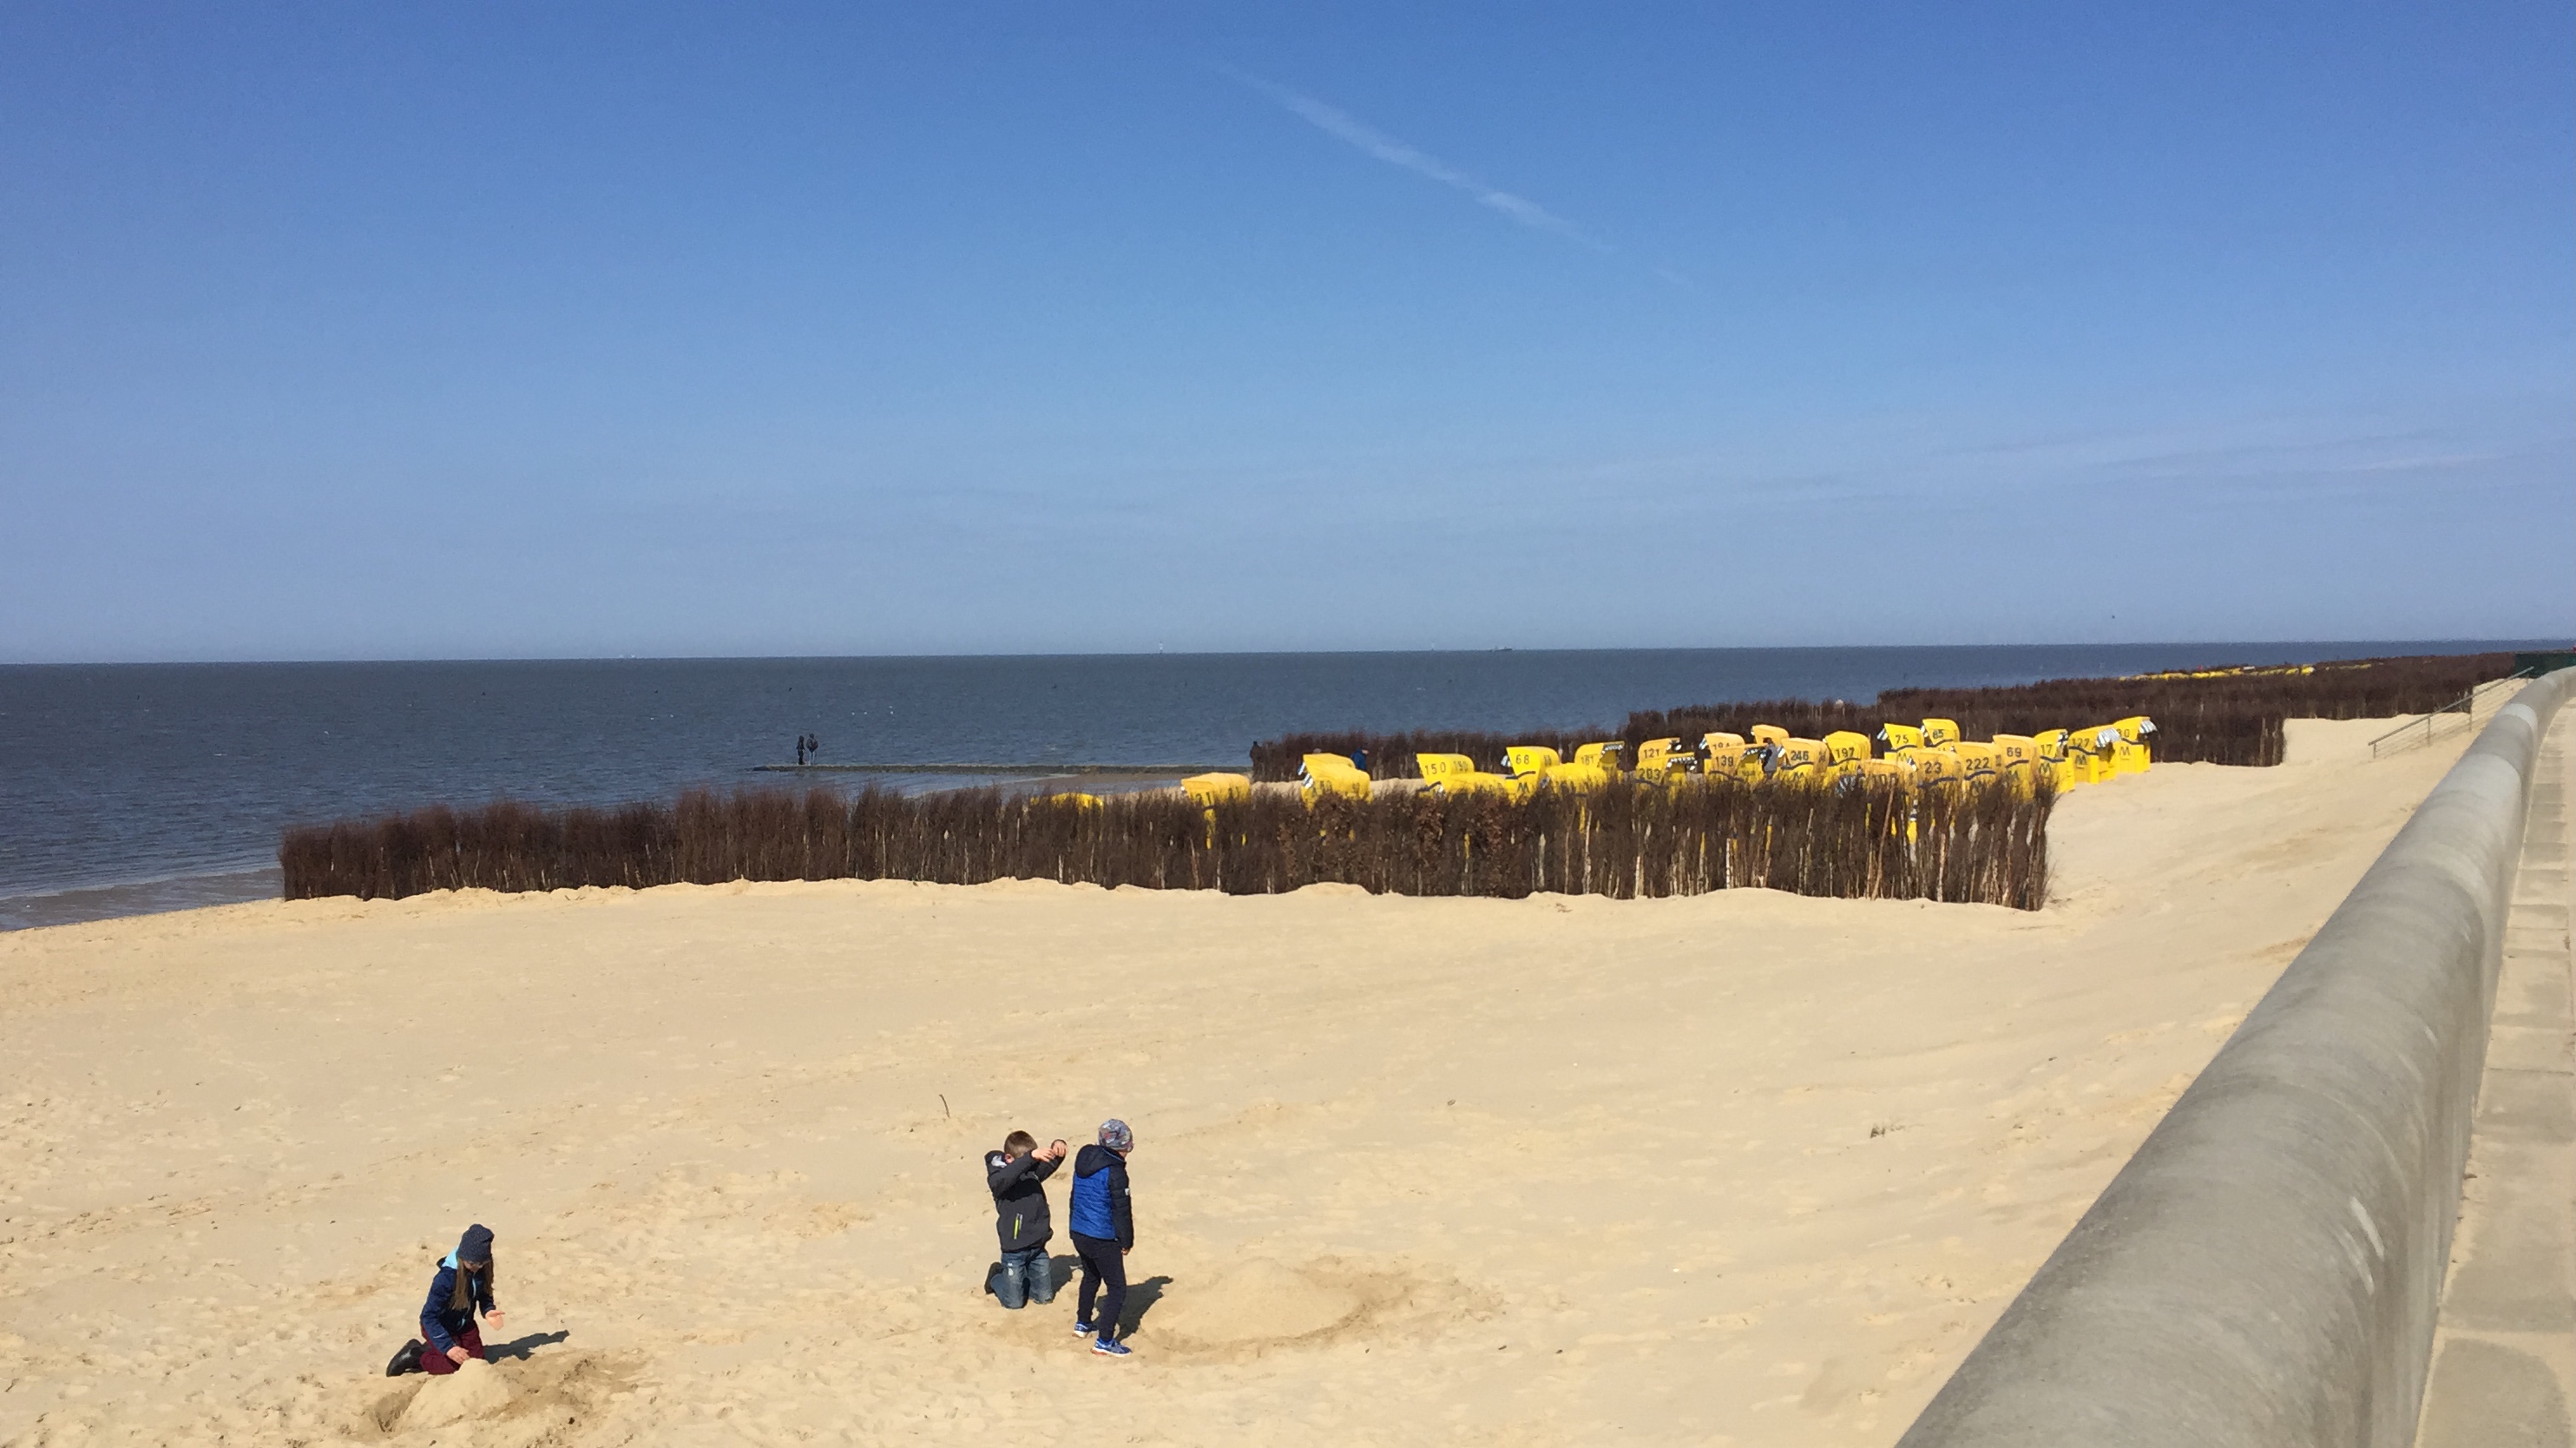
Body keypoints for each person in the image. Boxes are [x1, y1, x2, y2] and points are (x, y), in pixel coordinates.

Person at [385, 1223, 506, 1376]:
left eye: (482, 1263)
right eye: (473, 1264)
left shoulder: (481, 1270)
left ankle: (436, 1348)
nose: (478, 1267)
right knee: (451, 1366)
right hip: (439, 1325)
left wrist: (488, 1310)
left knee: (476, 1362)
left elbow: (484, 1294)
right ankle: (416, 1354)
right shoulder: (446, 1279)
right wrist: (448, 1347)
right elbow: (428, 1317)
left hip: (464, 1325)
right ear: (463, 1257)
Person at [1067, 1119, 1136, 1358]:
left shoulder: (1083, 1159)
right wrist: (1126, 1241)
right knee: (1117, 1287)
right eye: (1126, 1148)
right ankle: (1105, 1340)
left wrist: (1074, 1227)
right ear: (1120, 1147)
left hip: (1079, 1231)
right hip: (1102, 1237)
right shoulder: (1115, 1172)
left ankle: (1083, 1323)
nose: (1128, 1152)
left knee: (1091, 1276)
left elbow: (1074, 1197)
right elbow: (1121, 1210)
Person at [986, 1129, 1068, 1309]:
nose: (1032, 1164)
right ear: (1009, 1159)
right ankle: (996, 1277)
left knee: (1044, 1297)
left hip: (1038, 1247)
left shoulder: (1032, 1173)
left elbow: (1049, 1164)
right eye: (1029, 1160)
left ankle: (1022, 1279)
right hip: (1014, 1250)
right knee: (1014, 1303)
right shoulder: (1000, 1179)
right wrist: (1030, 1157)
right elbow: (1002, 1180)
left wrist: (1058, 1147)